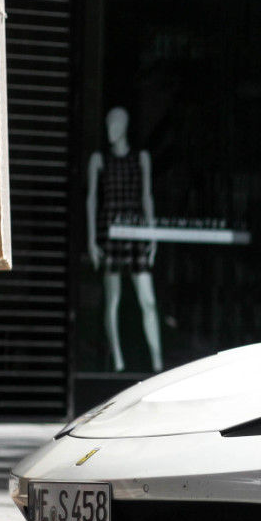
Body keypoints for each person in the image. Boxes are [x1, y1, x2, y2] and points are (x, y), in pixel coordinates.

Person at [86, 106, 164, 373]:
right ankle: (118, 362)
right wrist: (92, 239)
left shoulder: (140, 158)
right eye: (108, 125)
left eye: (116, 125)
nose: (111, 130)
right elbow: (92, 200)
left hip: (137, 231)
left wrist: (152, 234)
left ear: (125, 126)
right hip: (110, 232)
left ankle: (157, 361)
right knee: (113, 299)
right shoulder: (99, 160)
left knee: (148, 300)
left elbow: (147, 197)